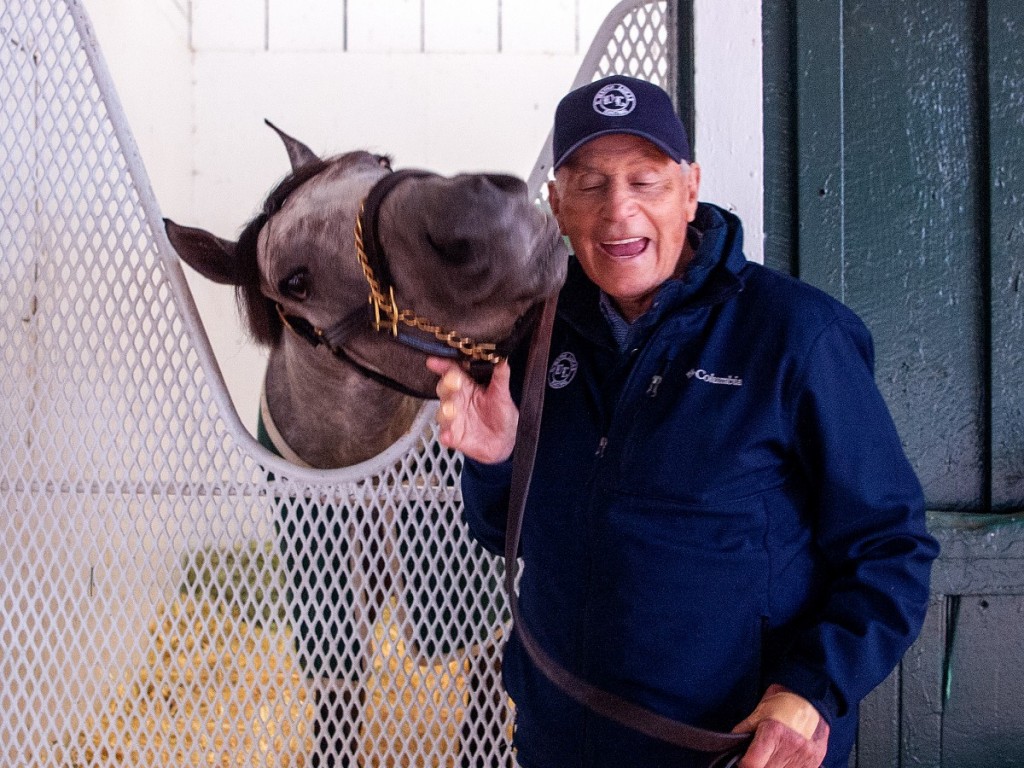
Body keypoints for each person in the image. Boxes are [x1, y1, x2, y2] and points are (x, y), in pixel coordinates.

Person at [426, 75, 939, 768]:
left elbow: (891, 549)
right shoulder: (535, 340)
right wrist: (494, 461)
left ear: (690, 189)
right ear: (556, 203)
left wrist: (812, 689)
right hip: (561, 745)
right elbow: (504, 534)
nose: (619, 211)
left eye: (646, 181)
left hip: (729, 751)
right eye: (591, 184)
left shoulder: (795, 335)